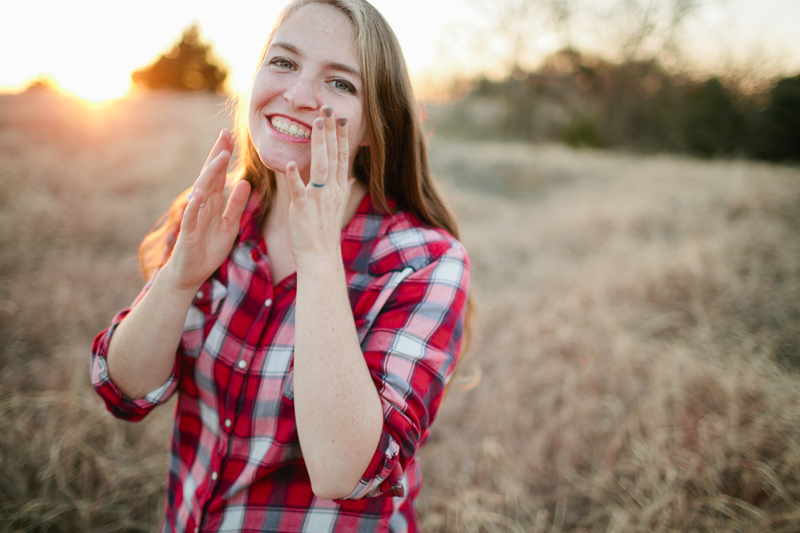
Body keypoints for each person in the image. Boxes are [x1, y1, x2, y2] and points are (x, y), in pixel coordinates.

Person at [90, 1, 471, 531]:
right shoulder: (220, 215)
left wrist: (317, 258)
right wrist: (180, 278)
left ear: (370, 126)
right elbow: (121, 391)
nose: (296, 94)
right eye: (284, 62)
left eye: (340, 83)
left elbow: (346, 472)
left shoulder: (424, 261)